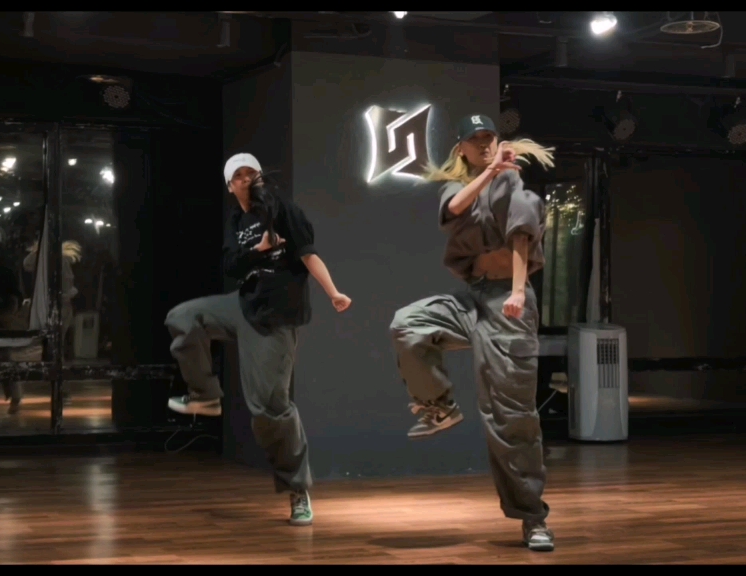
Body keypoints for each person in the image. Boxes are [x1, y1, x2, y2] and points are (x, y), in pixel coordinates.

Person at [388, 114, 556, 551]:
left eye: (489, 138)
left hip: (508, 302)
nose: (484, 144)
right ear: (460, 147)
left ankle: (533, 518)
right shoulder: (459, 187)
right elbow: (455, 208)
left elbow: (521, 237)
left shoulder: (513, 185)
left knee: (510, 417)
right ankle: (439, 407)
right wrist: (489, 172)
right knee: (408, 323)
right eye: (475, 139)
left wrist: (517, 291)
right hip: (474, 297)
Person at [164, 152, 352, 527]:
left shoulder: (284, 210)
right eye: (240, 175)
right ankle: (205, 395)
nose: (247, 179)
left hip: (276, 317)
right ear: (230, 185)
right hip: (244, 304)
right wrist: (259, 250)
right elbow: (232, 266)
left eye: (253, 173)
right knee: (183, 318)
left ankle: (298, 491)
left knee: (270, 408)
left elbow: (308, 254)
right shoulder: (236, 220)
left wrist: (333, 292)